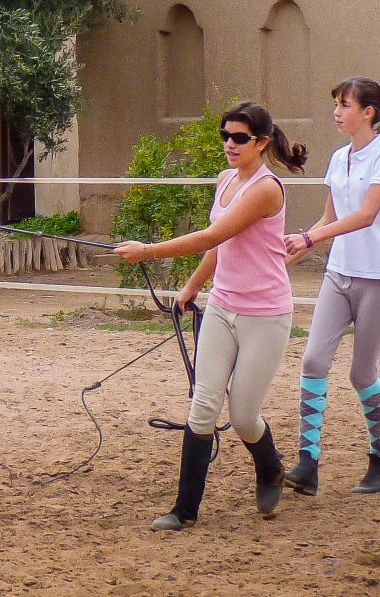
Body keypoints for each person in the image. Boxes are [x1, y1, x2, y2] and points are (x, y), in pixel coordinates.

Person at [115, 101, 307, 531]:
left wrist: (147, 251)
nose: (229, 144)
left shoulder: (266, 188)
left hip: (265, 313)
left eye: (239, 137)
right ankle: (185, 509)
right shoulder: (225, 182)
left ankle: (270, 465)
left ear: (261, 142)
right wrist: (193, 286)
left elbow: (214, 233)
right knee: (203, 406)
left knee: (242, 415)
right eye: (225, 136)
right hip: (223, 306)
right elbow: (220, 248)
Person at [281, 76, 380, 496]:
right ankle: (307, 463)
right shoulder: (339, 160)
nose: (337, 112)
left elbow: (367, 215)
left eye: (344, 105)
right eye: (336, 103)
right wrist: (290, 252)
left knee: (361, 372)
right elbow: (329, 218)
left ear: (368, 113)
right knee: (314, 360)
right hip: (340, 273)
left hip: (378, 278)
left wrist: (312, 239)